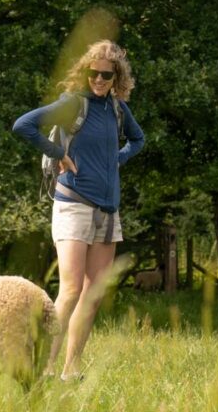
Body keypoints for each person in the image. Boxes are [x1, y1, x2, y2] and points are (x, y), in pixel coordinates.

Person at [12, 40, 144, 379]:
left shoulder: (116, 108)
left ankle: (71, 369)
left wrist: (120, 157)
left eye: (106, 75)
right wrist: (57, 153)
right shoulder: (73, 104)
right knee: (70, 290)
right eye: (93, 73)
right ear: (84, 72)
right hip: (73, 205)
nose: (99, 80)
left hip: (108, 211)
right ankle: (45, 368)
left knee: (94, 294)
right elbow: (23, 125)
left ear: (117, 78)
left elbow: (138, 139)